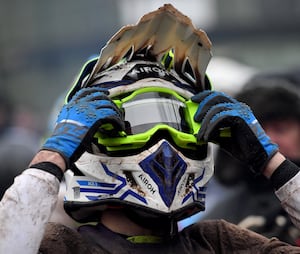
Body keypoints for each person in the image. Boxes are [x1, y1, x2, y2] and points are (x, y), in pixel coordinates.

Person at [1, 4, 300, 253]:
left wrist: (272, 163)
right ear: (92, 137)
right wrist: (53, 156)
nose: (164, 138)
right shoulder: (63, 245)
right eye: (141, 119)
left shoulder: (218, 242)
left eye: (177, 120)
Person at [202, 75, 300, 245]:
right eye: (257, 133)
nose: (269, 140)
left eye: (281, 129)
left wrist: (274, 166)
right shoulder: (219, 222)